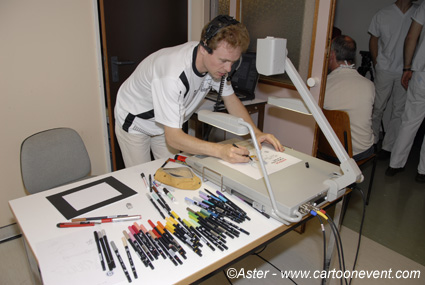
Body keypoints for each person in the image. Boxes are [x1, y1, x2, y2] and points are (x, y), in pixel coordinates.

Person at [114, 15, 284, 168]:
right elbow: (173, 138)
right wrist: (220, 150)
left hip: (166, 125)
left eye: (233, 62)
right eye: (223, 60)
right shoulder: (172, 74)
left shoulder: (216, 68)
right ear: (203, 48)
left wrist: (256, 133)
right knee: (142, 176)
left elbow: (231, 100)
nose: (228, 68)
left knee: (174, 172)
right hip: (136, 121)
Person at [368, 0, 417, 159]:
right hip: (385, 69)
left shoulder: (418, 13)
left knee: (399, 111)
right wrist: (376, 63)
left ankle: (388, 147)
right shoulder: (383, 13)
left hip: (406, 70)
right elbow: (373, 38)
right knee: (377, 108)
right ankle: (373, 142)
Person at [386, 1, 425, 183]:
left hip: (422, 73)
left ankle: (395, 164)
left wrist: (407, 67)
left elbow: (411, 37)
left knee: (409, 120)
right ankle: (422, 171)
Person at [324, 35, 375, 161]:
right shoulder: (369, 85)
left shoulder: (323, 86)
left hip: (327, 150)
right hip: (361, 151)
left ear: (332, 55)